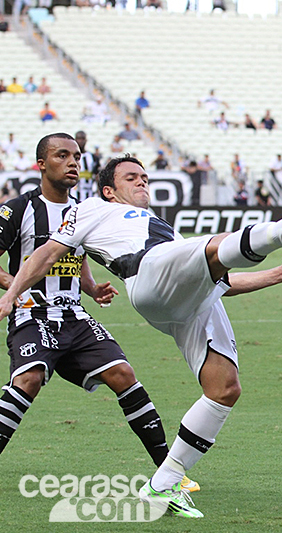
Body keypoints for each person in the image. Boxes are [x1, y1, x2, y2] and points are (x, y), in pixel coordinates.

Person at [0, 152, 282, 518]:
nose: (142, 181)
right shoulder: (92, 209)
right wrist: (12, 293)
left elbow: (220, 281)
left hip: (185, 293)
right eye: (131, 177)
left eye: (145, 176)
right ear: (109, 190)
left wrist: (278, 274)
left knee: (224, 388)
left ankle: (165, 482)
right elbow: (46, 254)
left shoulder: (162, 225)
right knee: (207, 247)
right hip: (148, 275)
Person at [0, 133, 191, 492]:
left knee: (123, 373)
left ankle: (171, 474)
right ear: (41, 164)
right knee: (28, 380)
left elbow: (77, 253)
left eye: (77, 156)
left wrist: (90, 287)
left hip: (74, 316)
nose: (73, 162)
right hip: (32, 313)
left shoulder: (86, 209)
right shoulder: (18, 209)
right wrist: (15, 288)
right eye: (62, 155)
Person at [74, 130, 98, 201]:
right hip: (75, 191)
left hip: (89, 191)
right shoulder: (71, 157)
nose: (81, 141)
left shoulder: (93, 157)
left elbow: (97, 173)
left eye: (82, 139)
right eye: (79, 138)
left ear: (86, 140)